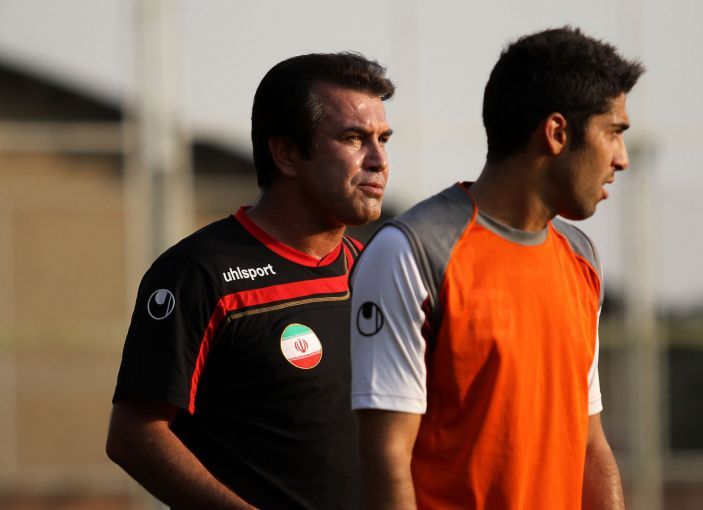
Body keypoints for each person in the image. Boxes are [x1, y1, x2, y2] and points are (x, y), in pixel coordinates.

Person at [350, 27, 644, 509]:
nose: (622, 159)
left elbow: (591, 447)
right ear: (557, 133)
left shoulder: (581, 257)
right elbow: (386, 457)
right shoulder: (411, 251)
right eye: (613, 133)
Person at [106, 52, 394, 509]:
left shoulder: (377, 272)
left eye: (383, 139)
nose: (378, 160)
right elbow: (134, 436)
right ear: (287, 154)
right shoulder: (200, 272)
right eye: (353, 138)